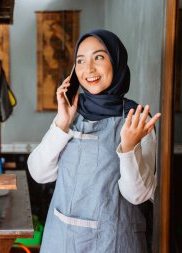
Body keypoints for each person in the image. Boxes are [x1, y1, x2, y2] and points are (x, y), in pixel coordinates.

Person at [27, 29, 161, 253]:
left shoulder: (136, 119)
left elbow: (138, 195)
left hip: (115, 240)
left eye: (98, 57)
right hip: (62, 240)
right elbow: (40, 173)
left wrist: (128, 148)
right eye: (80, 61)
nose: (88, 69)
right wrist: (61, 124)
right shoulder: (69, 112)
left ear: (117, 61)